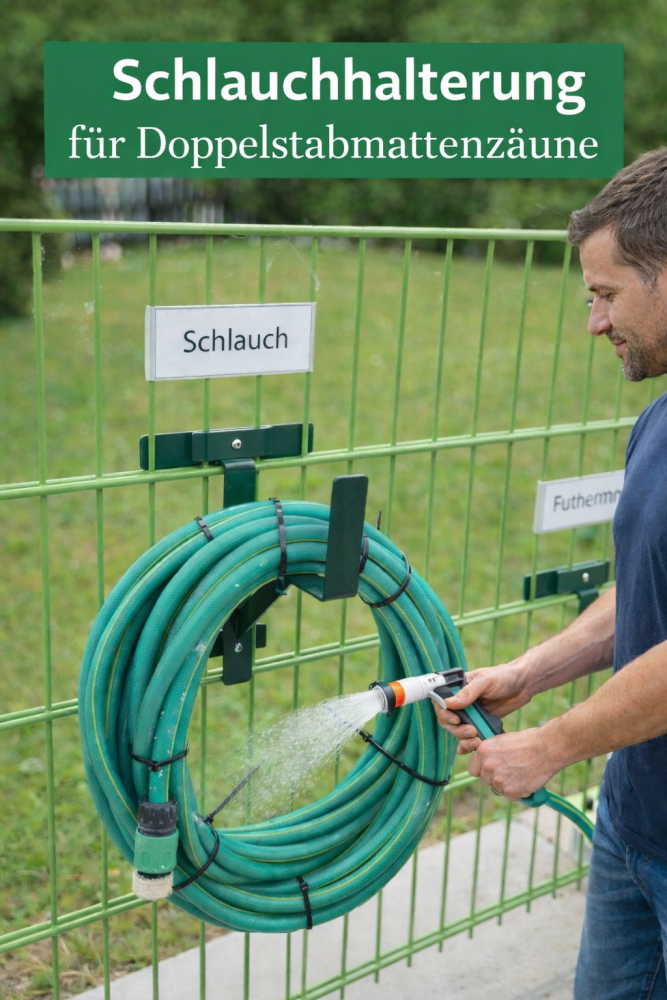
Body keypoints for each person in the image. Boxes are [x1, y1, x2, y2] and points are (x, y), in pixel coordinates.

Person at [434, 147, 667, 1000]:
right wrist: (532, 674)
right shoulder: (657, 422)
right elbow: (646, 592)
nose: (594, 324)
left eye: (605, 295)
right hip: (634, 828)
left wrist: (553, 746)